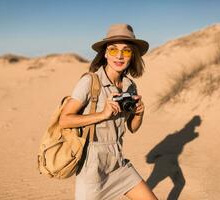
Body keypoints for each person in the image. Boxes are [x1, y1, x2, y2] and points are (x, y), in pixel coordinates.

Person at [59, 24, 158, 200]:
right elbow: (64, 120)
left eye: (126, 51)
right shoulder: (90, 82)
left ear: (132, 55)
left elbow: (132, 128)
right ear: (105, 53)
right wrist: (102, 114)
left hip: (118, 162)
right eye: (113, 50)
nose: (119, 55)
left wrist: (139, 114)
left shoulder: (129, 86)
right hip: (92, 168)